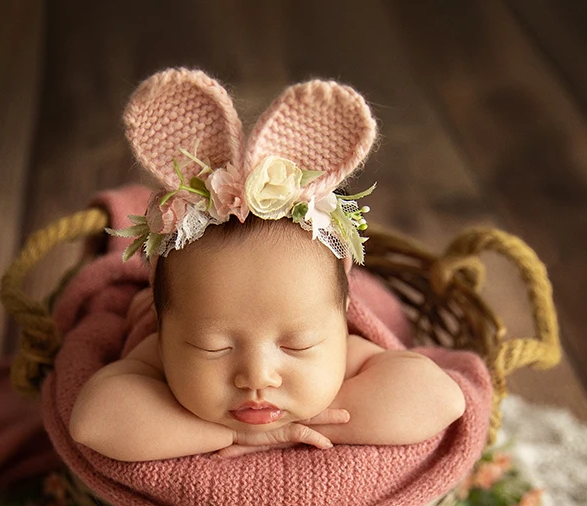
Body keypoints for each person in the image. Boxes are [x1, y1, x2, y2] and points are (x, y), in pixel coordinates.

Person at [68, 68, 466, 461]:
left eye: (298, 344)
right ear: (162, 321)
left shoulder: (348, 354)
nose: (257, 377)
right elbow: (94, 422)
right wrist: (228, 434)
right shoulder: (157, 353)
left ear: (342, 316)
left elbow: (441, 399)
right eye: (214, 347)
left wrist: (327, 416)